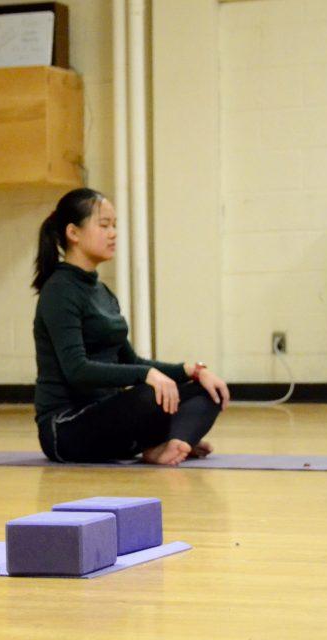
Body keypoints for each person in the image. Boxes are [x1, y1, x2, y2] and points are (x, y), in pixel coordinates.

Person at [32, 188, 230, 465]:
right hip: (66, 428)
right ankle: (166, 441)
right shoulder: (59, 291)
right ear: (73, 233)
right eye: (104, 225)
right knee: (148, 395)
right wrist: (147, 375)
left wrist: (192, 371)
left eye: (114, 226)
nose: (113, 233)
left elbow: (132, 361)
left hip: (107, 418)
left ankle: (171, 444)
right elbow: (76, 370)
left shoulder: (102, 292)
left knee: (208, 389)